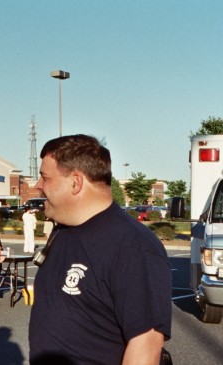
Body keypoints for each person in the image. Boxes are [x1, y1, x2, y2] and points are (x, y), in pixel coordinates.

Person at [29, 134, 172, 365]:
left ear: (75, 182)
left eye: (45, 178)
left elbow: (145, 346)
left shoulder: (134, 247)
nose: (37, 186)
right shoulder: (62, 232)